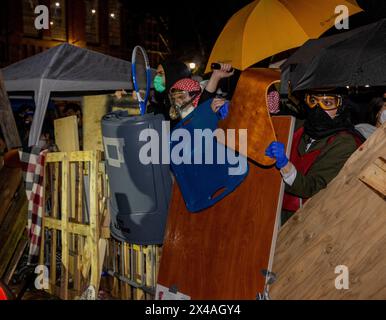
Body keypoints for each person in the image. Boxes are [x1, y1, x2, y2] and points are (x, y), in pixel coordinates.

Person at [265, 90, 363, 225]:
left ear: (340, 107)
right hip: (273, 209)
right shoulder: (302, 127)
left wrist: (284, 165)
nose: (318, 108)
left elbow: (312, 187)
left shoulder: (344, 142)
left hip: (304, 222)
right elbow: (271, 125)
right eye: (313, 101)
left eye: (327, 103)